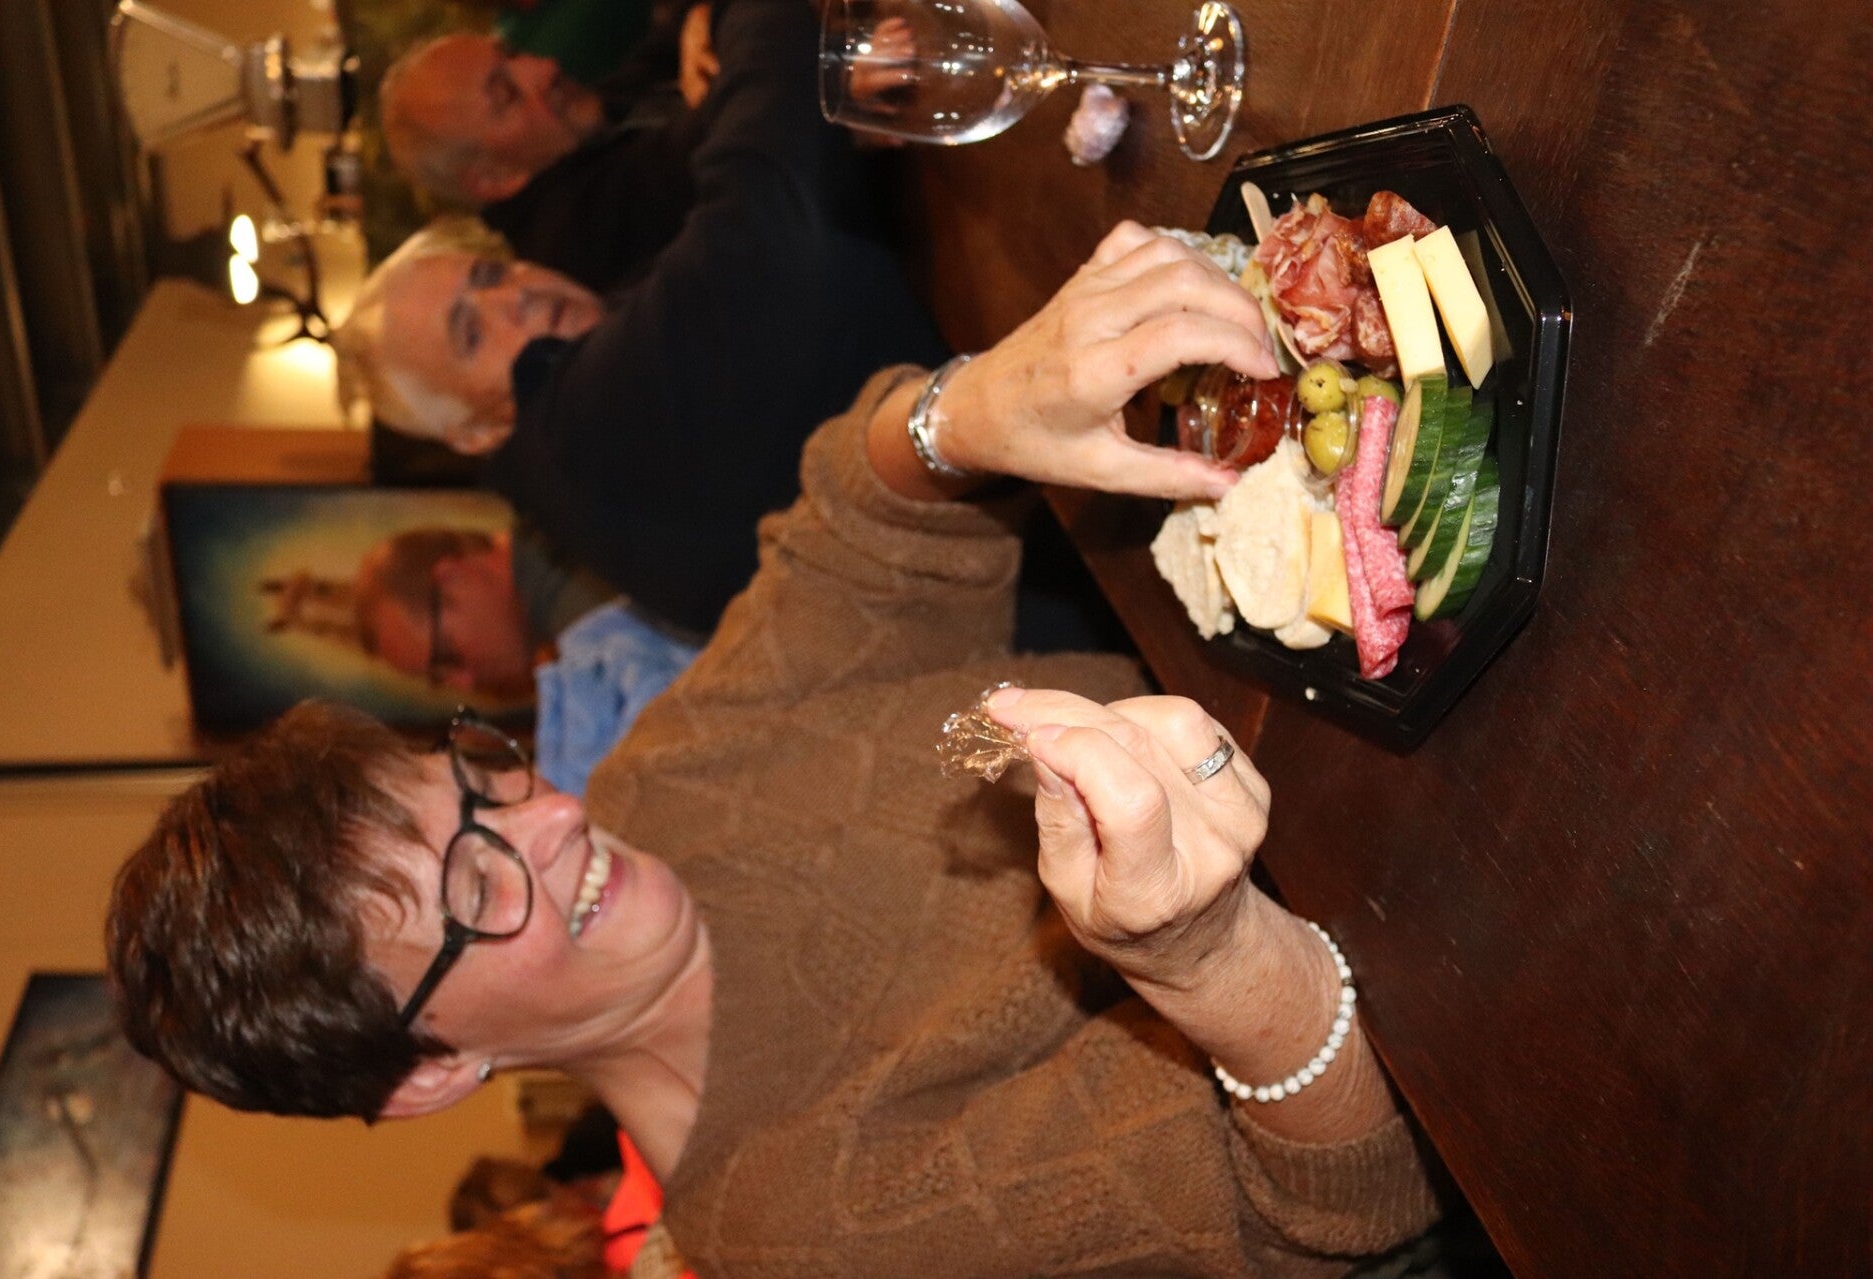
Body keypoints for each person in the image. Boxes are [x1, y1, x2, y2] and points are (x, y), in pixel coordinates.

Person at [108, 224, 1439, 1276]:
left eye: (479, 783)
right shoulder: (799, 1218)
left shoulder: (657, 782)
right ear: (430, 1071)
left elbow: (848, 531)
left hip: (1385, 725)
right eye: (474, 885)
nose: (554, 819)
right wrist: (1204, 957)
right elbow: (1347, 1204)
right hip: (1463, 986)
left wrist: (966, 412)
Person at [344, 0, 950, 637]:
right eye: (470, 335)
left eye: (491, 276)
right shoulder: (584, 430)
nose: (513, 300)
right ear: (473, 433)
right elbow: (761, 201)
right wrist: (759, 34)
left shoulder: (567, 418)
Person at [354, 525, 701, 794]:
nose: (466, 682)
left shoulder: (581, 600)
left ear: (452, 577)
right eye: (441, 681)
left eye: (447, 657)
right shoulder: (559, 553)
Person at [380, 17, 706, 294]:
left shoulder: (584, 126)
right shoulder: (576, 233)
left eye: (513, 53)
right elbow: (722, 127)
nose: (545, 67)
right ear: (496, 178)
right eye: (508, 95)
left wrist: (699, 19)